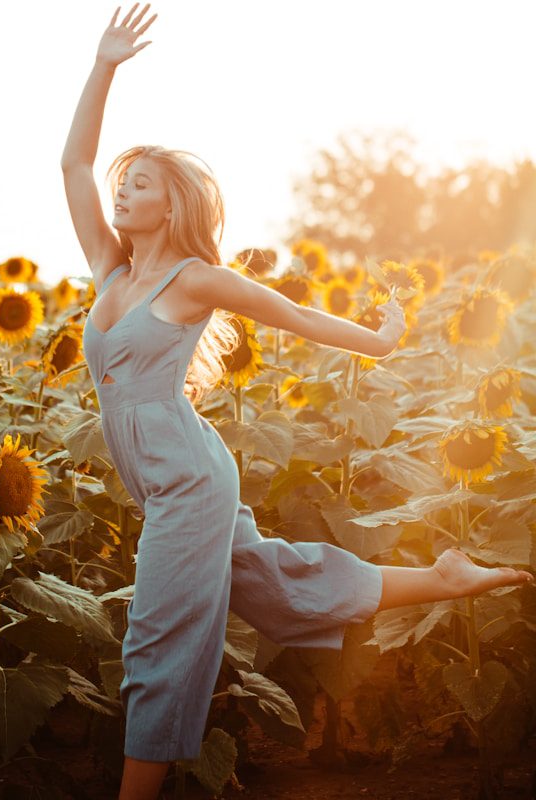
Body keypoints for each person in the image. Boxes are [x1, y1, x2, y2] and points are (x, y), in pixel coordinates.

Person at [60, 5, 534, 799]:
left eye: (138, 184)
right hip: (166, 479)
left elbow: (290, 312)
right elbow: (74, 165)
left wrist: (379, 341)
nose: (120, 192)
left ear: (169, 207)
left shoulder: (193, 280)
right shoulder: (111, 271)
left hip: (188, 483)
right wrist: (103, 65)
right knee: (278, 586)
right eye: (123, 183)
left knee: (159, 635)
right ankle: (447, 578)